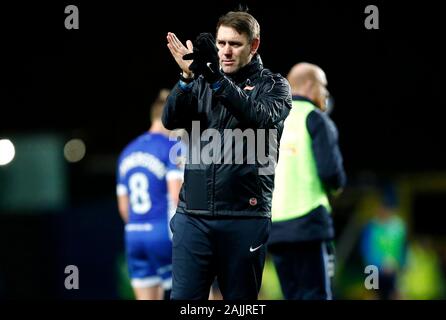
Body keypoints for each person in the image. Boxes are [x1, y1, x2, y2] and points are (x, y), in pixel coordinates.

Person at [163, 10, 292, 300]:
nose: (225, 51)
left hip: (244, 217)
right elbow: (170, 119)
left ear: (254, 46)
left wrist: (214, 76)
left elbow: (255, 116)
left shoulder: (274, 86)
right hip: (193, 217)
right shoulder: (200, 80)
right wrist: (186, 77)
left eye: (235, 44)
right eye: (221, 44)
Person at [267, 62, 346, 300]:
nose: (326, 94)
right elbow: (331, 173)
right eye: (324, 86)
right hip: (309, 224)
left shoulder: (270, 120)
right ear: (311, 85)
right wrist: (337, 186)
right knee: (316, 294)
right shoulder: (315, 118)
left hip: (276, 228)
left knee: (292, 295)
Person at [116, 89, 184, 300]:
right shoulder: (172, 147)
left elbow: (123, 208)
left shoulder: (127, 151)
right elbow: (176, 196)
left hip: (134, 235)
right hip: (163, 234)